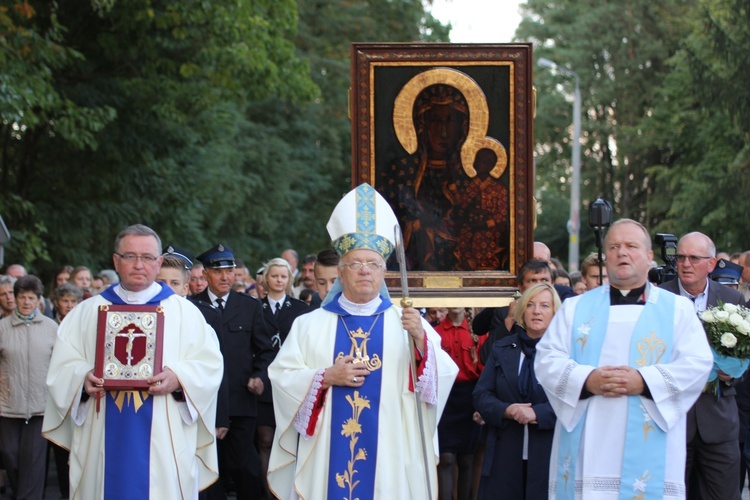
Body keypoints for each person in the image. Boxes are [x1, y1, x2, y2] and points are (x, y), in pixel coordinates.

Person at [267, 183, 458, 499]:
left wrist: (422, 341)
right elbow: (282, 378)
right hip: (327, 452)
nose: (364, 271)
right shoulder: (308, 325)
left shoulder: (408, 323)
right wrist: (326, 376)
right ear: (341, 273)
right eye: (355, 263)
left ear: (385, 272)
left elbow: (440, 382)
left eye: (373, 264)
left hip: (389, 453)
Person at [535, 219, 713, 499]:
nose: (622, 252)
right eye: (614, 246)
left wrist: (643, 381)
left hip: (652, 441)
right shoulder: (575, 307)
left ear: (649, 257)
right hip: (588, 443)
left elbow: (698, 364)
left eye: (631, 246)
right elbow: (546, 359)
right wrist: (586, 380)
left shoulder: (677, 310)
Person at [42, 224, 224, 498]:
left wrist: (178, 378)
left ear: (159, 262)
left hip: (164, 429)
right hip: (101, 425)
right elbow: (61, 367)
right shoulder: (86, 312)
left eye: (148, 257)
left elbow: (209, 365)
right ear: (116, 260)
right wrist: (82, 378)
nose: (139, 264)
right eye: (130, 256)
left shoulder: (184, 313)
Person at [659, 232, 745, 499]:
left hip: (718, 423)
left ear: (711, 263)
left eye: (694, 258)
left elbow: (745, 354)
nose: (685, 264)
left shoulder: (733, 300)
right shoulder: (659, 299)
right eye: (681, 257)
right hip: (671, 423)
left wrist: (731, 376)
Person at [192, 243, 274, 499]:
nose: (225, 277)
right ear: (205, 274)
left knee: (246, 468)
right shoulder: (191, 308)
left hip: (240, 398)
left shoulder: (249, 306)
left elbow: (266, 351)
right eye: (218, 272)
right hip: (205, 401)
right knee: (208, 467)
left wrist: (259, 376)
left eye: (229, 271)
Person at [473, 283, 560, 499]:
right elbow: (481, 395)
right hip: (504, 456)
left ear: (555, 313)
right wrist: (507, 410)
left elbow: (574, 402)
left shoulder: (564, 354)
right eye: (530, 305)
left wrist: (538, 413)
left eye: (544, 306)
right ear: (521, 310)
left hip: (548, 455)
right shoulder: (502, 349)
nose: (536, 311)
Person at [381, 84, 471, 271]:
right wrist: (418, 225)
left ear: (462, 126)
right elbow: (385, 227)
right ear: (421, 124)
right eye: (435, 121)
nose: (443, 132)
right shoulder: (400, 172)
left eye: (450, 121)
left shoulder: (470, 177)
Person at [0, 275, 58, 499]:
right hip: (8, 405)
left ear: (38, 300)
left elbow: (59, 365)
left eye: (31, 298)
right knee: (10, 456)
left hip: (40, 407)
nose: (26, 302)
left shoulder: (51, 328)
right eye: (22, 297)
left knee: (33, 463)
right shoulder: (3, 328)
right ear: (15, 299)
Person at [257, 258, 309, 497]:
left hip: (292, 383)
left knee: (292, 438)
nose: (279, 280)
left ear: (289, 280)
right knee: (266, 438)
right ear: (266, 279)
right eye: (274, 275)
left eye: (283, 276)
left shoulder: (300, 310)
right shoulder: (255, 307)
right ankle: (269, 492)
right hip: (265, 382)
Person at [435, 307, 485, 500]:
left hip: (470, 396)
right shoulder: (436, 332)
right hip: (445, 396)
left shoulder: (478, 333)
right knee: (445, 458)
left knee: (466, 458)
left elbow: (483, 369)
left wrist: (481, 403)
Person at [472, 259, 553, 364]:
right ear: (520, 286)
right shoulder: (505, 313)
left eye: (544, 280)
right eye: (532, 281)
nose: (539, 286)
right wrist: (509, 320)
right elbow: (486, 357)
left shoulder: (562, 312)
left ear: (553, 284)